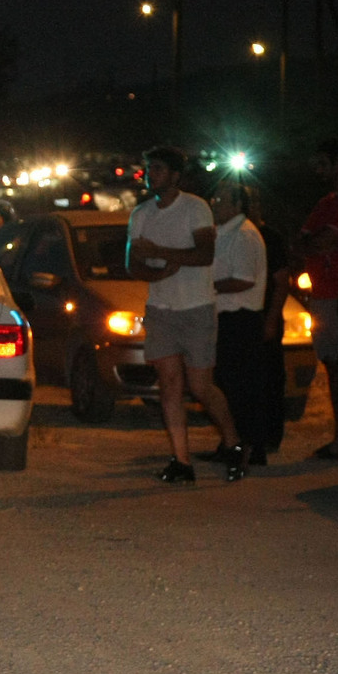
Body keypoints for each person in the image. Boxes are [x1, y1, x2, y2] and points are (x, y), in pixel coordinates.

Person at [126, 145, 240, 483]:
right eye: (149, 168)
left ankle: (234, 443)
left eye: (158, 168)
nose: (151, 174)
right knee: (169, 385)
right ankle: (181, 460)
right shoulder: (141, 213)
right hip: (161, 309)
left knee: (201, 386)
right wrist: (156, 271)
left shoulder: (195, 208)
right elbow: (134, 263)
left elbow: (204, 254)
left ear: (175, 175)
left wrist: (160, 253)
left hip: (196, 307)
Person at [202, 179, 267, 481]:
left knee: (240, 385)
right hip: (228, 317)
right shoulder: (226, 233)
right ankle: (232, 444)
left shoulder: (243, 235)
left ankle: (248, 447)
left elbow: (243, 279)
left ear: (238, 205)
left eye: (222, 199)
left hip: (240, 318)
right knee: (228, 383)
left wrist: (206, 287)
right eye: (215, 199)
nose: (215, 204)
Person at [298, 138, 338, 460]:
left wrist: (318, 241)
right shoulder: (326, 203)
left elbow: (315, 242)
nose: (317, 171)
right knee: (332, 368)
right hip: (324, 294)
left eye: (324, 163)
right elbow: (303, 243)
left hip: (336, 295)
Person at [248, 186, 290, 459]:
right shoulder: (234, 235)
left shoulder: (269, 238)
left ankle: (268, 437)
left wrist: (271, 320)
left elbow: (281, 282)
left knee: (269, 380)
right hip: (244, 315)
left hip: (263, 315)